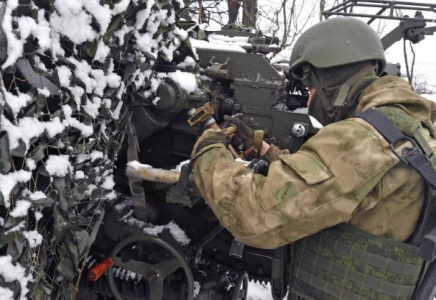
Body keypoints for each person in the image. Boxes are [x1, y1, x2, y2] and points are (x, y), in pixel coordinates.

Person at [191, 17, 436, 300]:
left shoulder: (360, 139)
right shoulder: (408, 127)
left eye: (310, 87)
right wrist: (266, 152)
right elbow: (337, 187)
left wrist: (209, 148)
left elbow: (252, 213)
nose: (309, 99)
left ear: (329, 80)